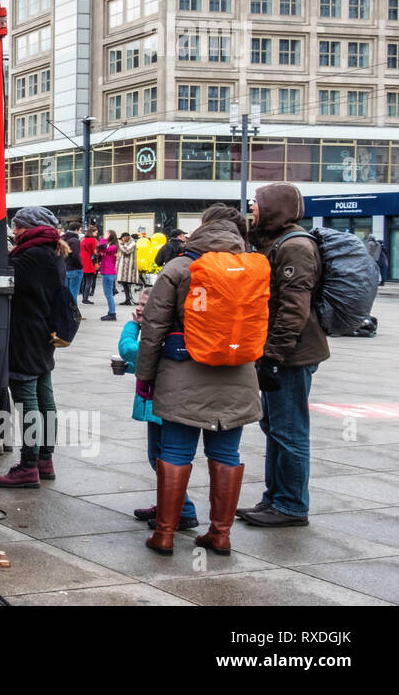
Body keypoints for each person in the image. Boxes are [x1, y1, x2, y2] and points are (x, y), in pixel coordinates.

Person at [135, 205, 259, 556]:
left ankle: (165, 534)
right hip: (237, 372)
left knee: (174, 451)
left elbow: (153, 329)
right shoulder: (251, 267)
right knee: (226, 453)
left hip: (181, 374)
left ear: (202, 228)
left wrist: (144, 376)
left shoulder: (178, 267)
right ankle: (220, 534)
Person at [239, 183, 330, 528]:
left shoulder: (295, 246)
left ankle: (291, 504)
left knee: (289, 430)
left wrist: (274, 356)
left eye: (258, 204)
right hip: (281, 351)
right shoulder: (279, 241)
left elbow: (294, 310)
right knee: (275, 425)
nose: (253, 210)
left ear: (275, 207)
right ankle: (275, 498)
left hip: (292, 353)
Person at [0, 206, 67, 489]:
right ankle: (45, 460)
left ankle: (29, 466)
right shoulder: (53, 251)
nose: (14, 231)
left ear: (31, 227)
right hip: (43, 333)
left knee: (27, 399)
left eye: (18, 226)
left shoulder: (31, 255)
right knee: (44, 395)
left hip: (25, 335)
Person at [117, 289, 199, 532]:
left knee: (163, 459)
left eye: (145, 305)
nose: (139, 309)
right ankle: (169, 506)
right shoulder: (159, 335)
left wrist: (132, 325)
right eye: (139, 304)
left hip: (163, 406)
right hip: (158, 407)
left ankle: (183, 510)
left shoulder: (159, 337)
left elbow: (128, 349)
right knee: (159, 458)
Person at [96, 229, 119, 321]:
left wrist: (103, 239)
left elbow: (101, 247)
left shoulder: (113, 247)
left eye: (106, 234)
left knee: (108, 294)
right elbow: (100, 249)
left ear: (110, 235)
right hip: (107, 272)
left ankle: (112, 313)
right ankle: (111, 312)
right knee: (108, 294)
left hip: (109, 272)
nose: (104, 235)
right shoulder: (110, 246)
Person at [61, 222, 83, 305]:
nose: (81, 232)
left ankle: (67, 314)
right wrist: (80, 266)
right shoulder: (75, 241)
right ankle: (73, 315)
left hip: (65, 268)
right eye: (80, 230)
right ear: (76, 230)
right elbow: (75, 256)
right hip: (74, 269)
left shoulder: (63, 239)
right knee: (73, 294)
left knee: (67, 294)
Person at [116, 231, 139, 306]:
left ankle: (130, 299)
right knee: (124, 284)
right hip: (124, 268)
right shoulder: (124, 244)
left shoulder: (132, 243)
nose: (121, 240)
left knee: (128, 284)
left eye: (122, 238)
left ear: (126, 237)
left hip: (129, 268)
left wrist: (120, 245)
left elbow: (126, 251)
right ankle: (127, 299)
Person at [79, 226, 99, 304]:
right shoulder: (93, 240)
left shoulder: (83, 240)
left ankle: (83, 298)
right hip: (89, 261)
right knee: (89, 281)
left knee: (84, 281)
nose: (96, 234)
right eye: (96, 232)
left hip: (82, 260)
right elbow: (94, 252)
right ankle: (85, 299)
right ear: (92, 232)